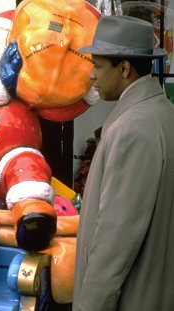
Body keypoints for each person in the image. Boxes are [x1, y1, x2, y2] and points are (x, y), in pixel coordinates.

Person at [73, 15, 174, 310]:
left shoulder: (134, 128)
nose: (92, 75)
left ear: (124, 68)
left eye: (98, 65)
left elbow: (115, 242)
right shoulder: (162, 113)